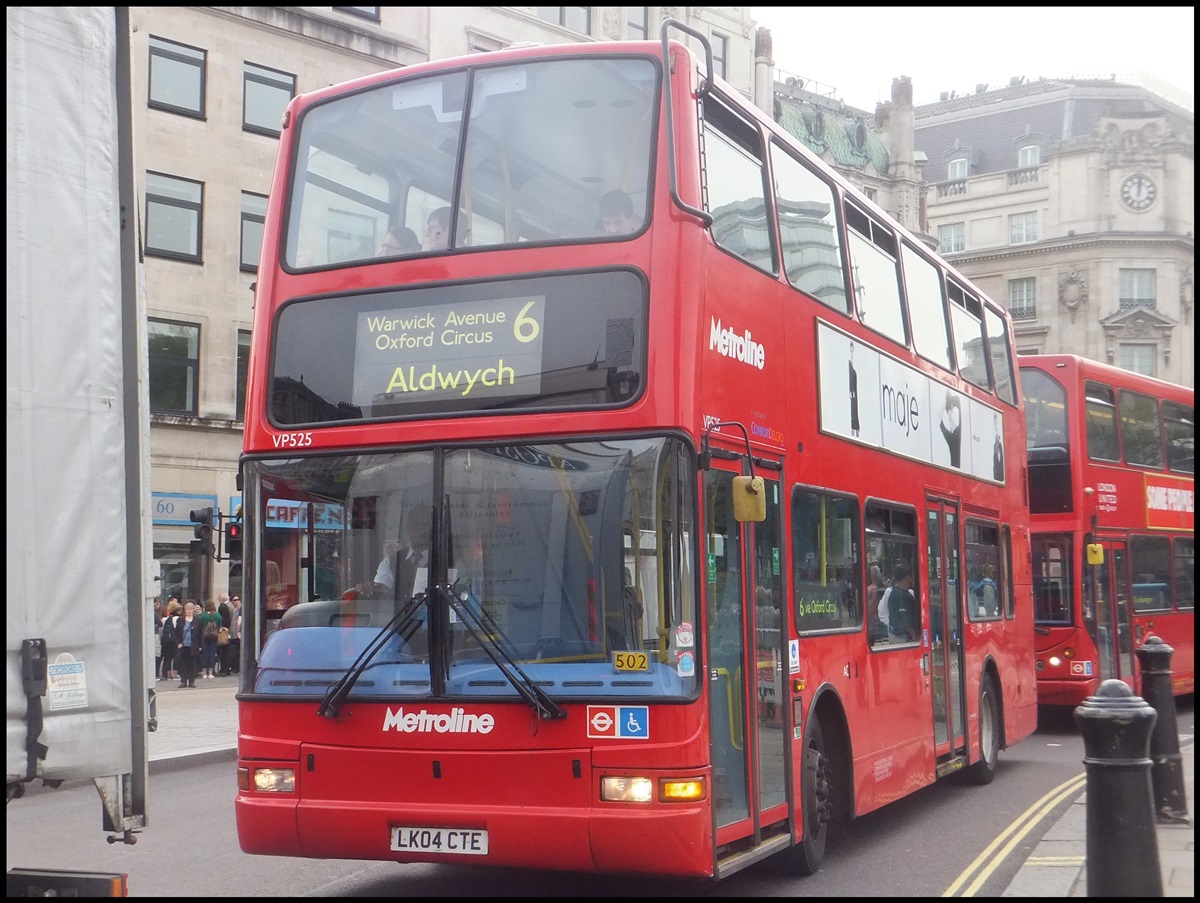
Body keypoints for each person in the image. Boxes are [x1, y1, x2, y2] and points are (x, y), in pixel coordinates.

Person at [884, 566, 918, 642]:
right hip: (902, 637)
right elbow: (904, 618)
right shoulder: (901, 595)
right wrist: (913, 635)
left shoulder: (893, 592)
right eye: (910, 577)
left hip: (896, 634)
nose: (911, 580)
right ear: (906, 578)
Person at [175, 600, 203, 688]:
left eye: (190, 609)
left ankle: (191, 681)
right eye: (187, 609)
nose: (188, 611)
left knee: (192, 664)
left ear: (193, 610)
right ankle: (183, 681)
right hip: (183, 646)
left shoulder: (197, 620)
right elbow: (176, 633)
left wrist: (200, 645)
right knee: (183, 664)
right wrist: (178, 643)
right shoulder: (180, 620)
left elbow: (201, 633)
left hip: (193, 646)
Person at [199, 599, 223, 679]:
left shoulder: (203, 615)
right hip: (214, 637)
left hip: (205, 637)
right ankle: (211, 672)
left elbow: (200, 626)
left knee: (205, 654)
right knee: (212, 654)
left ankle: (205, 672)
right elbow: (220, 626)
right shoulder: (218, 615)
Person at [940, 392, 962, 468]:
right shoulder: (951, 437)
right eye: (949, 418)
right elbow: (940, 422)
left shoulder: (957, 433)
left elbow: (958, 401)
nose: (951, 420)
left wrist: (948, 403)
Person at [848, 342, 860, 437]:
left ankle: (856, 431)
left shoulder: (854, 371)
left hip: (854, 397)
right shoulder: (849, 368)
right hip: (851, 397)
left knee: (855, 414)